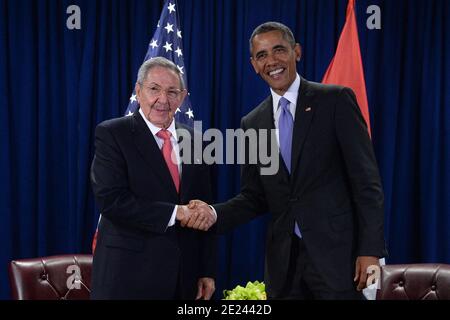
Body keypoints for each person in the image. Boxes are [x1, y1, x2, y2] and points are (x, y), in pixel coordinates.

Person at [186, 22, 387, 299]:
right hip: (284, 268)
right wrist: (213, 213)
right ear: (254, 65)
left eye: (279, 50)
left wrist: (370, 250)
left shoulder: (335, 101)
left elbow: (367, 183)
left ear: (297, 52)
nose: (272, 61)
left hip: (338, 261)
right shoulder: (252, 123)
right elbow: (254, 196)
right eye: (262, 55)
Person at [90, 57, 217, 300]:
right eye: (154, 89)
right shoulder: (113, 133)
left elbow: (204, 209)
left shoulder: (197, 141)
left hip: (183, 278)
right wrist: (176, 213)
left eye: (172, 92)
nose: (163, 99)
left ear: (182, 97)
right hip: (127, 277)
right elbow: (112, 200)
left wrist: (206, 270)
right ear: (138, 92)